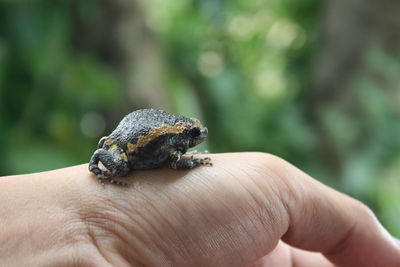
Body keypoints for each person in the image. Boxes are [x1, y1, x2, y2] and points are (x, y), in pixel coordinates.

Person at [0, 153, 399, 266]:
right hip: (129, 149)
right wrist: (99, 232)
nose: (196, 141)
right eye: (192, 137)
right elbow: (177, 163)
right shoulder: (175, 148)